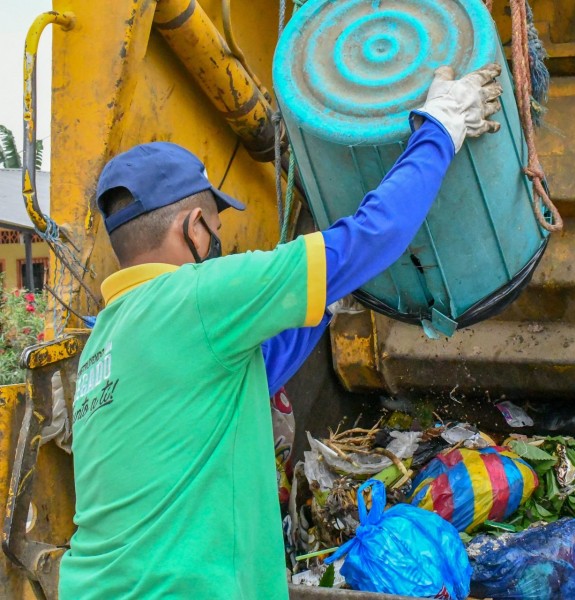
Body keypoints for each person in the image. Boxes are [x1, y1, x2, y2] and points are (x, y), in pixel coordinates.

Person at [59, 64, 503, 599]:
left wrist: (319, 303)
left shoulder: (107, 338)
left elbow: (250, 375)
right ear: (194, 229)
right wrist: (441, 125)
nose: (220, 248)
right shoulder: (198, 296)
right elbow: (373, 236)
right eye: (218, 233)